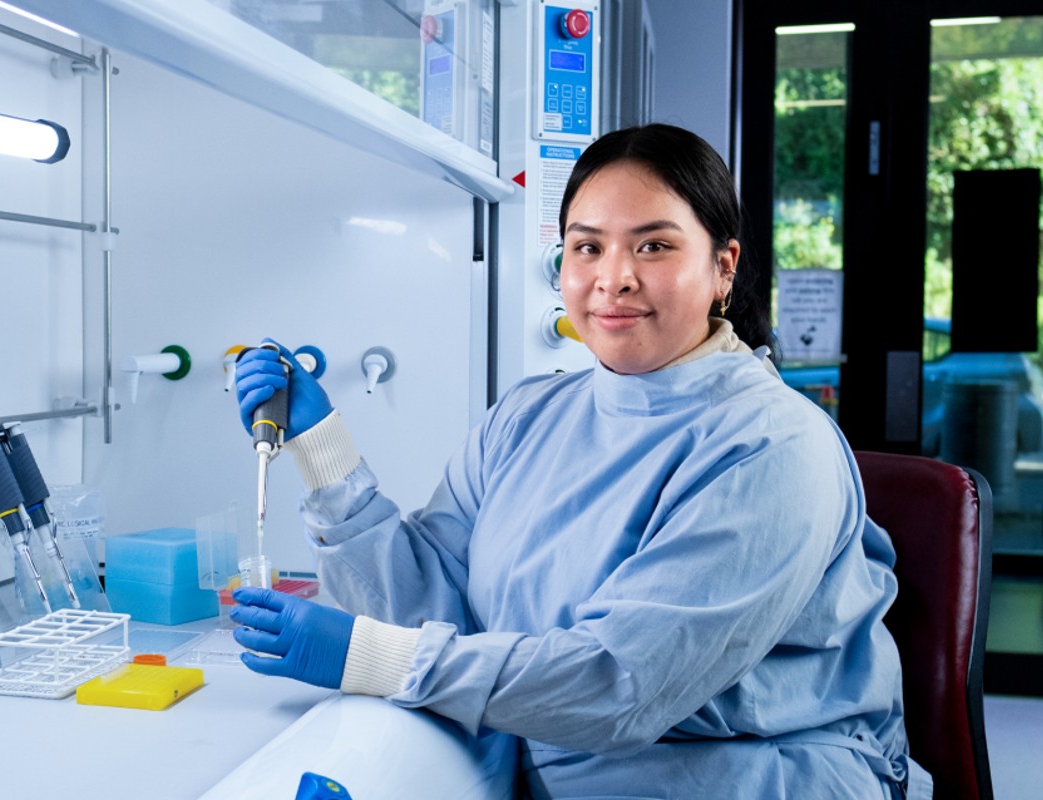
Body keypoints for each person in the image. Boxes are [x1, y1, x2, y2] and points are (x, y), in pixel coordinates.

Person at [230, 124, 924, 799]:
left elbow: (624, 684)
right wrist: (321, 448)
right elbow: (423, 611)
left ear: (723, 267)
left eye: (653, 245)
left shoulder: (773, 445)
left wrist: (363, 656)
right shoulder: (527, 417)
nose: (613, 278)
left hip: (745, 777)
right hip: (542, 764)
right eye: (587, 247)